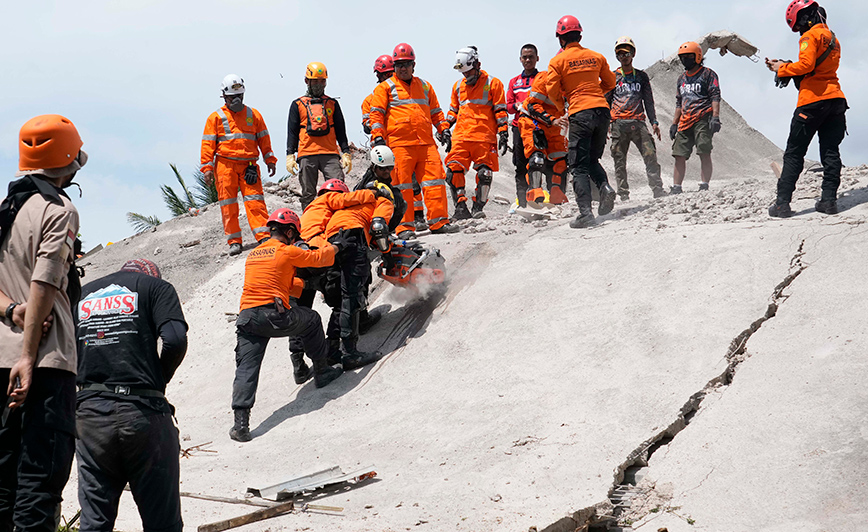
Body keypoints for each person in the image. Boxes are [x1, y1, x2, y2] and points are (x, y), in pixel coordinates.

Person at [0, 114, 85, 531]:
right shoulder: (58, 211)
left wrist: (9, 310)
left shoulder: (7, 209)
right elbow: (45, 283)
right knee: (40, 481)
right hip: (44, 366)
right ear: (68, 160)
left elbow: (20, 295)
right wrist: (29, 357)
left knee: (2, 484)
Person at [74, 259, 187, 532]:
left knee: (94, 522)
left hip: (89, 418)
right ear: (150, 276)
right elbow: (174, 339)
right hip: (143, 414)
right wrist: (159, 381)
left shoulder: (81, 295)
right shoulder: (156, 287)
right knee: (162, 522)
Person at [230, 209, 346, 442]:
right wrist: (337, 247)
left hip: (247, 318)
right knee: (311, 319)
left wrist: (304, 284)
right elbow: (317, 259)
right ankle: (322, 371)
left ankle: (240, 425)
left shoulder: (253, 255)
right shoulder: (286, 250)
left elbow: (280, 281)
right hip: (273, 315)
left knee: (246, 369)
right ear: (290, 231)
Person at [368, 42, 459, 238]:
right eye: (399, 64)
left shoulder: (425, 86)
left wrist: (444, 129)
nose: (403, 68)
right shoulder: (385, 88)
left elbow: (436, 112)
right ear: (394, 66)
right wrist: (379, 138)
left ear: (413, 65)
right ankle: (404, 228)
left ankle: (439, 222)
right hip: (399, 146)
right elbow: (376, 115)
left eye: (406, 64)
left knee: (435, 182)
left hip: (425, 144)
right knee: (402, 187)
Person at [767, 0, 846, 217]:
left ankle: (782, 204)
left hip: (811, 102)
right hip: (836, 100)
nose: (799, 31)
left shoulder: (809, 36)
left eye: (798, 26)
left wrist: (781, 68)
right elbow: (818, 68)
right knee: (830, 151)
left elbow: (806, 65)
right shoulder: (833, 38)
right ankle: (829, 201)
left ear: (803, 19)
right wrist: (786, 66)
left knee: (794, 153)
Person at [294, 180, 382, 372]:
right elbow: (347, 199)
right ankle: (341, 350)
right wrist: (372, 194)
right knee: (344, 300)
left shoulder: (309, 211)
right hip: (317, 249)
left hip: (299, 257)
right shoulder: (328, 198)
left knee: (300, 311)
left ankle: (298, 365)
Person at [545, 15, 618, 229]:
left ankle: (586, 213)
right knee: (592, 159)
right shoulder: (596, 57)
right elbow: (611, 82)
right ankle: (605, 188)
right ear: (580, 35)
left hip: (580, 112)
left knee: (577, 166)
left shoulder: (557, 61)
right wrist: (596, 94)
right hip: (602, 111)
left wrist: (561, 107)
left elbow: (551, 90)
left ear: (560, 39)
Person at [200, 74, 277, 256]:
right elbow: (207, 144)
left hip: (249, 165)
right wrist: (207, 168)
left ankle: (263, 235)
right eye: (233, 97)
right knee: (228, 205)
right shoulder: (216, 118)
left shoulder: (253, 115)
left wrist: (270, 159)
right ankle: (234, 241)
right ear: (224, 96)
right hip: (225, 166)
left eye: (239, 96)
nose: (237, 100)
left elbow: (264, 139)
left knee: (255, 202)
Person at [322, 181, 395, 362]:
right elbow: (378, 227)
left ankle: (332, 351)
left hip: (330, 241)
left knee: (340, 299)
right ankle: (350, 354)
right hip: (353, 237)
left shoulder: (347, 206)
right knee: (351, 297)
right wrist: (388, 255)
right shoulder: (383, 202)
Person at [444, 46, 509, 220]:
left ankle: (478, 208)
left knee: (484, 173)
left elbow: (501, 111)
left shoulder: (493, 83)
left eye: (469, 72)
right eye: (463, 73)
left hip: (484, 137)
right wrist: (445, 127)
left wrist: (503, 132)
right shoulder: (458, 86)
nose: (466, 77)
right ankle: (460, 208)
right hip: (461, 137)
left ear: (478, 64)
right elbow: (453, 112)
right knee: (453, 171)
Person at [363, 56, 427, 231]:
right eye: (382, 75)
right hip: (383, 148)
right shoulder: (371, 99)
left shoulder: (407, 92)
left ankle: (418, 216)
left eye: (388, 74)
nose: (386, 78)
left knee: (411, 183)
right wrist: (378, 127)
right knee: (388, 185)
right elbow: (366, 124)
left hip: (403, 144)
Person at [286, 63, 353, 210]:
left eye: (322, 81)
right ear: (306, 81)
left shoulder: (332, 104)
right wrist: (290, 154)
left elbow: (341, 130)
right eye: (315, 81)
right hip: (307, 154)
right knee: (308, 194)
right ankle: (310, 225)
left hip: (330, 154)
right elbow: (292, 132)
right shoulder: (297, 105)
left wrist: (346, 151)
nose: (319, 84)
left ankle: (337, 222)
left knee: (338, 189)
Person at [606, 37, 666, 200]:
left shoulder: (641, 76)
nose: (623, 56)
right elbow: (606, 101)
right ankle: (623, 194)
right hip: (618, 123)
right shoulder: (612, 77)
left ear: (633, 54)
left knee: (650, 155)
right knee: (619, 160)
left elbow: (648, 100)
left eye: (627, 52)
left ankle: (657, 189)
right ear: (616, 56)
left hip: (638, 123)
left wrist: (654, 122)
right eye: (620, 53)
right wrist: (606, 125)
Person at [668, 42, 721, 195]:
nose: (685, 60)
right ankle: (677, 187)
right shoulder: (681, 79)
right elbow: (679, 102)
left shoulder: (708, 74)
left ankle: (704, 184)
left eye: (689, 56)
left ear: (698, 56)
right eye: (682, 57)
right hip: (685, 121)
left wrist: (715, 117)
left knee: (704, 150)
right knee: (679, 154)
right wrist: (674, 124)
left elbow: (715, 96)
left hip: (703, 118)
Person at [521, 66, 570, 206]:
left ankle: (557, 195)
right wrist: (552, 119)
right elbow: (533, 105)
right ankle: (534, 194)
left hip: (557, 124)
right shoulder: (544, 79)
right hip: (534, 122)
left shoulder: (573, 82)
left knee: (561, 161)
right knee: (537, 159)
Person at [506, 44, 541, 208]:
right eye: (525, 57)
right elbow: (508, 106)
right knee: (520, 165)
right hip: (518, 126)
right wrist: (518, 106)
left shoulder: (542, 78)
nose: (528, 60)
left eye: (531, 56)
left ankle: (538, 199)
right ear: (520, 59)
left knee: (538, 163)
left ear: (537, 58)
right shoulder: (514, 82)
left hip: (538, 126)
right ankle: (522, 202)